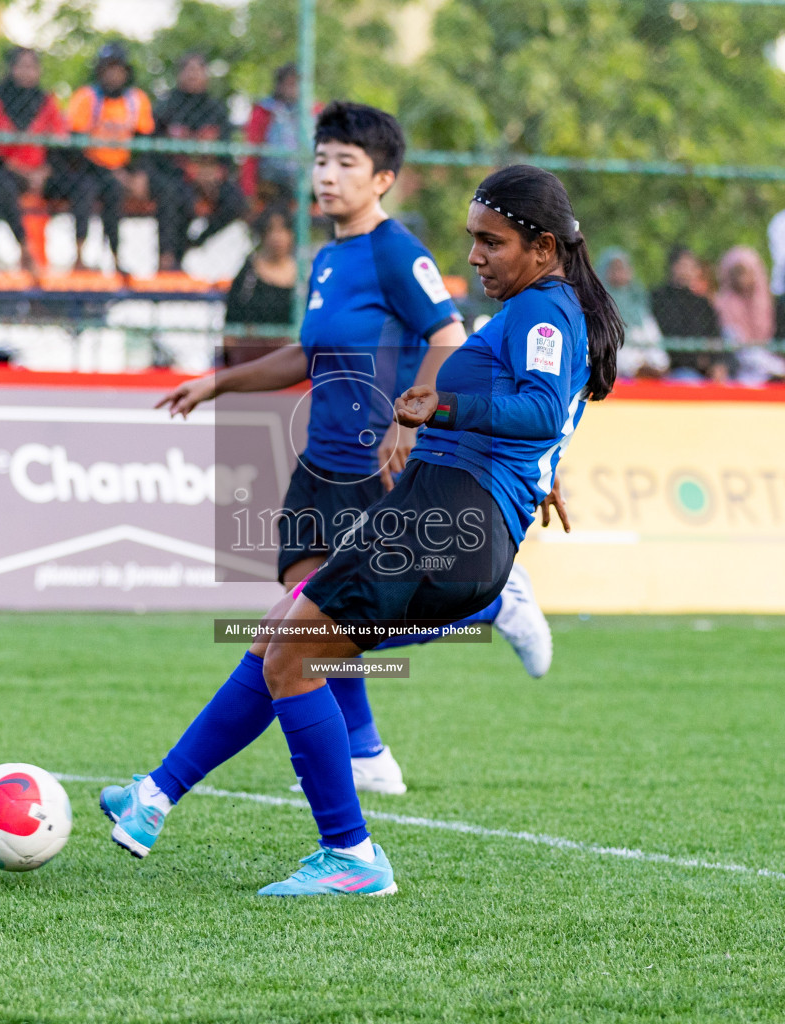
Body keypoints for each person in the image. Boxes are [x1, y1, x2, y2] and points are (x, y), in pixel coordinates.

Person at [111, 163, 622, 896]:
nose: (475, 256)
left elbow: (540, 410)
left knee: (293, 659)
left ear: (542, 247)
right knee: (281, 634)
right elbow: (538, 415)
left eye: (491, 242)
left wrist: (441, 412)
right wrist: (534, 469)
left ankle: (349, 854)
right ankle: (155, 799)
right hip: (444, 517)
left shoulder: (544, 311)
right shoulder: (543, 308)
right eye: (472, 240)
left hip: (444, 519)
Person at [154, 103, 554, 799]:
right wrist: (217, 385)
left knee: (324, 616)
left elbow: (447, 336)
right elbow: (309, 355)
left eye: (346, 163)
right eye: (320, 160)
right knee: (302, 602)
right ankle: (365, 751)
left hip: (377, 466)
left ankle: (491, 606)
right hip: (321, 463)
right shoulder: (328, 258)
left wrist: (407, 422)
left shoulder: (397, 251)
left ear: (383, 179)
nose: (327, 176)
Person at [0, 47, 84, 272]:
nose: (27, 72)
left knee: (84, 185)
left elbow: (59, 143)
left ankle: (80, 257)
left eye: (32, 67)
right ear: (11, 69)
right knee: (0, 185)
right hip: (6, 171)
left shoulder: (46, 100)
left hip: (41, 173)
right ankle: (24, 249)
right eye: (22, 66)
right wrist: (19, 170)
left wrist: (45, 171)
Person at [151, 53, 249, 271]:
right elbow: (156, 154)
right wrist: (192, 172)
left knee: (236, 202)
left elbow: (226, 152)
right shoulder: (166, 107)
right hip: (176, 176)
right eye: (189, 70)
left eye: (199, 70)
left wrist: (218, 173)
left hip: (211, 176)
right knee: (177, 197)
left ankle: (191, 244)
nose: (194, 75)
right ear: (180, 74)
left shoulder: (216, 109)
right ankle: (169, 260)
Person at [65, 43, 155, 272]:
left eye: (117, 69)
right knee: (85, 190)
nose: (113, 74)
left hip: (121, 169)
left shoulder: (136, 100)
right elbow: (74, 147)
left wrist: (137, 174)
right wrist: (111, 171)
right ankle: (79, 257)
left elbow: (142, 143)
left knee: (114, 192)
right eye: (108, 69)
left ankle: (115, 258)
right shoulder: (87, 98)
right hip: (88, 168)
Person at [222, 205, 297, 366]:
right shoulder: (249, 273)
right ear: (263, 234)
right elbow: (231, 319)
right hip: (252, 355)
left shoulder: (303, 274)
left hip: (291, 357)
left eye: (283, 230)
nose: (278, 237)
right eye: (272, 230)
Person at [651, 245, 729, 382]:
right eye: (684, 265)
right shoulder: (658, 299)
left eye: (691, 265)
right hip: (674, 368)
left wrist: (716, 363)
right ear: (673, 267)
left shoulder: (702, 304)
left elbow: (715, 335)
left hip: (704, 371)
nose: (688, 270)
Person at [713, 245, 785, 385]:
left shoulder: (771, 305)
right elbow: (735, 344)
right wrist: (783, 370)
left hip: (770, 368)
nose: (742, 278)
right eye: (737, 273)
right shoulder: (720, 305)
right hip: (736, 368)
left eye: (746, 272)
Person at [600, 247, 667, 379]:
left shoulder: (639, 304)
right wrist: (636, 365)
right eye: (614, 268)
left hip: (649, 367)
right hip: (618, 369)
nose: (619, 273)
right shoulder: (599, 305)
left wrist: (655, 363)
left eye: (622, 268)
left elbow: (654, 338)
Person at [242, 63, 302, 206]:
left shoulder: (311, 111)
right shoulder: (264, 111)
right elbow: (250, 152)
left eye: (296, 84)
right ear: (279, 85)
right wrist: (248, 189)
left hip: (302, 177)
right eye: (288, 84)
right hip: (272, 177)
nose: (293, 89)